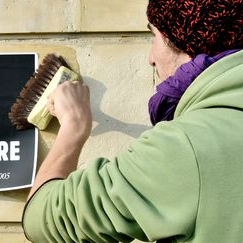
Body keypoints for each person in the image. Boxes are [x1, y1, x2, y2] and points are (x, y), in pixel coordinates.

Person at [22, 0, 243, 242]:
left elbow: (42, 219)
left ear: (186, 44)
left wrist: (73, 128)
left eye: (154, 35)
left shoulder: (185, 147)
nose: (151, 59)